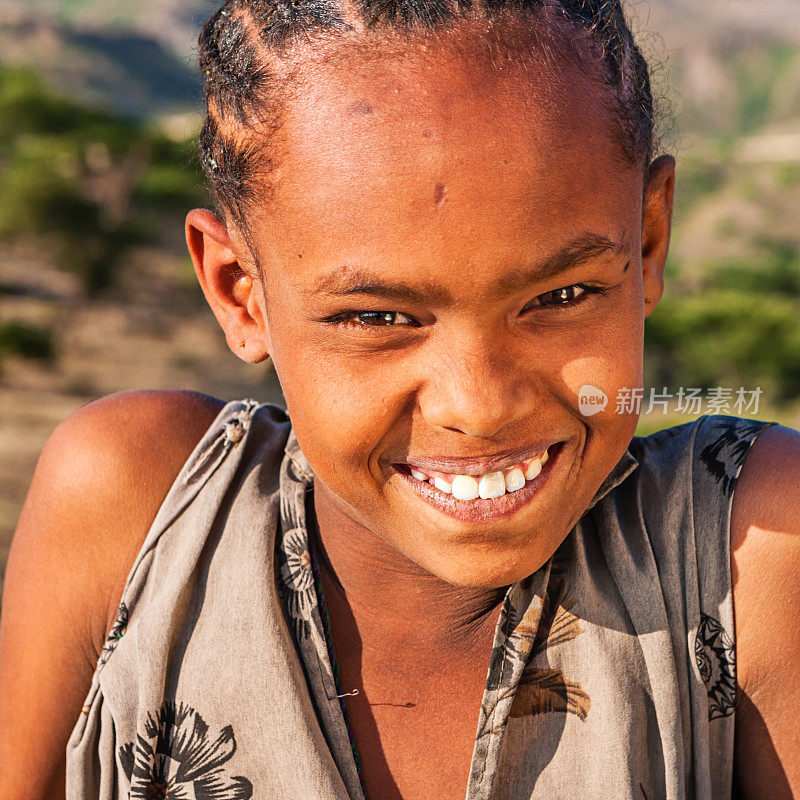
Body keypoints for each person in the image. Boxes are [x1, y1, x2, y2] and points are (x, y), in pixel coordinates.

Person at [1, 0, 799, 798]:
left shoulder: (748, 550)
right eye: (375, 317)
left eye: (562, 295)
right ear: (239, 291)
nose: (479, 405)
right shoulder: (141, 511)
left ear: (650, 239)